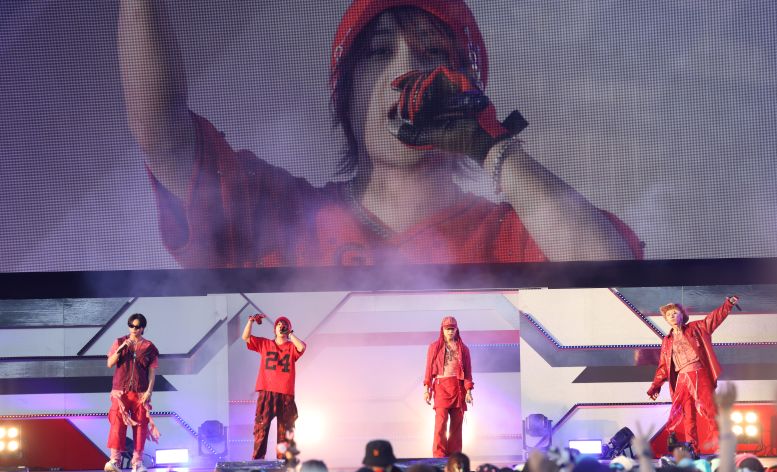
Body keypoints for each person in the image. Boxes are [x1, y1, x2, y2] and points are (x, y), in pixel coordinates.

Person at [117, 0, 643, 270]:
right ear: (345, 94)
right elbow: (162, 132)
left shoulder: (511, 235)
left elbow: (612, 277)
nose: (407, 69)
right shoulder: (278, 214)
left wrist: (494, 147)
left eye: (432, 53)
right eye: (377, 52)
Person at [647, 296, 739, 454]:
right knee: (687, 416)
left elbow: (713, 319)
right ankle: (692, 449)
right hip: (682, 378)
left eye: (675, 313)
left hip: (698, 373)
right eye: (669, 315)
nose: (672, 316)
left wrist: (728, 305)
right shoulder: (667, 341)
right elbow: (663, 366)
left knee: (711, 410)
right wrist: (655, 386)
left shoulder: (695, 328)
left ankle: (722, 447)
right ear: (666, 320)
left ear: (682, 315)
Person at [242, 313, 306, 460]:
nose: (281, 326)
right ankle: (258, 461)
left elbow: (301, 347)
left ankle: (284, 462)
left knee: (286, 430)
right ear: (274, 329)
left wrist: (290, 334)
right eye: (279, 324)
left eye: (285, 325)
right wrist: (250, 322)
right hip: (267, 392)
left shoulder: (291, 346)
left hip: (285, 394)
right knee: (261, 427)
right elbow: (246, 337)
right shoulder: (265, 344)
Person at [104, 313, 160, 472]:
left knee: (141, 426)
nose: (133, 329)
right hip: (120, 392)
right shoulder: (119, 342)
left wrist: (149, 391)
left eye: (136, 327)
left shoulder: (149, 347)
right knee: (117, 424)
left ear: (142, 328)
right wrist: (121, 349)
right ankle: (115, 460)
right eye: (131, 326)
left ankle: (137, 463)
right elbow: (109, 363)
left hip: (140, 392)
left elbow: (152, 372)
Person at [424, 316, 473, 458]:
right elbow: (428, 369)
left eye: (452, 329)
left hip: (458, 388)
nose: (450, 331)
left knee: (457, 424)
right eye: (447, 329)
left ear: (457, 329)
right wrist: (426, 389)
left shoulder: (463, 349)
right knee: (441, 422)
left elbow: (468, 372)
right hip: (441, 387)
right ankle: (439, 456)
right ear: (442, 330)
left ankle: (454, 456)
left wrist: (468, 391)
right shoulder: (434, 347)